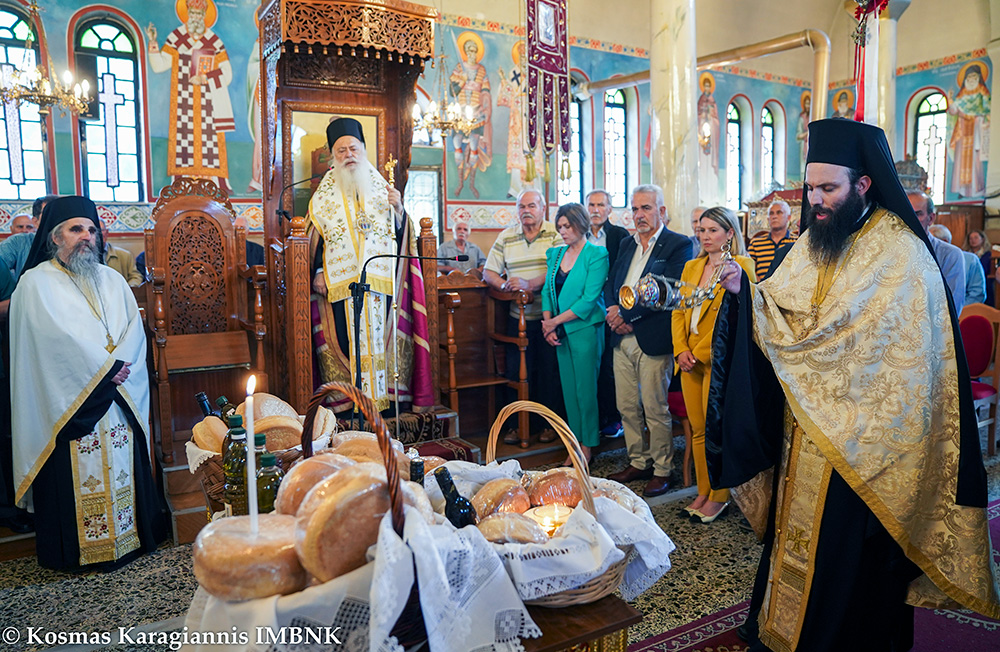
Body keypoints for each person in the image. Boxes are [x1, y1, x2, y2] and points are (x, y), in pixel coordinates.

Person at [711, 119, 999, 651]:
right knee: (795, 549)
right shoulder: (814, 241)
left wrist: (809, 360)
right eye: (810, 188)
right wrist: (744, 291)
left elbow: (886, 355)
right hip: (807, 431)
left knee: (848, 566)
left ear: (863, 185)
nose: (815, 201)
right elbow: (782, 308)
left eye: (829, 189)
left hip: (867, 447)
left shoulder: (900, 254)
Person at [11, 196, 167, 570]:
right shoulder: (35, 284)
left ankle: (131, 540)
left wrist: (120, 365)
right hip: (70, 403)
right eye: (76, 229)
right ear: (55, 237)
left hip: (119, 394)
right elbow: (50, 340)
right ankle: (77, 555)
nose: (87, 237)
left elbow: (134, 329)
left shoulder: (112, 279)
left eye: (92, 230)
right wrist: (104, 367)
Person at [308, 117, 432, 413]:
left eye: (353, 148)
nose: (348, 154)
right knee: (346, 341)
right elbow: (315, 240)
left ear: (363, 149)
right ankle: (351, 407)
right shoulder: (322, 197)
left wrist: (400, 209)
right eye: (341, 150)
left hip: (382, 284)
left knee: (383, 342)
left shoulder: (382, 189)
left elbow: (403, 235)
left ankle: (386, 406)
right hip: (341, 288)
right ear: (332, 156)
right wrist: (319, 270)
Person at [604, 185, 693, 497]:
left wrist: (626, 316)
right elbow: (613, 282)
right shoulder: (628, 244)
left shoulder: (678, 244)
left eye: (646, 208)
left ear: (661, 211)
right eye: (635, 209)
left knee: (654, 407)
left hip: (653, 337)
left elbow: (667, 292)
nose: (639, 215)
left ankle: (662, 469)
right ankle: (638, 461)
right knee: (626, 406)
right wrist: (612, 310)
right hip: (622, 337)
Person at [672, 207, 754, 523]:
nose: (705, 236)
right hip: (688, 358)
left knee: (716, 428)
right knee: (696, 429)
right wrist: (681, 349)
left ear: (730, 233)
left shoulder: (742, 266)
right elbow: (678, 311)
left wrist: (700, 351)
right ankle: (704, 491)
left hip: (717, 360)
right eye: (702, 230)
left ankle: (720, 495)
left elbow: (737, 318)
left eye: (713, 230)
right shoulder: (692, 266)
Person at [484, 189, 565, 445]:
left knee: (548, 374)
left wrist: (531, 284)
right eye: (521, 206)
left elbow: (559, 268)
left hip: (548, 318)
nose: (526, 211)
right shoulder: (507, 236)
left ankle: (548, 427)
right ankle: (518, 426)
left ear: (543, 208)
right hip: (515, 319)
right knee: (517, 374)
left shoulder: (555, 233)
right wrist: (506, 284)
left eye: (531, 205)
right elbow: (488, 272)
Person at [541, 203, 609, 464]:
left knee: (585, 389)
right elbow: (548, 290)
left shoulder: (596, 254)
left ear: (581, 224)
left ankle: (588, 444)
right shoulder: (555, 254)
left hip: (585, 329)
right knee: (569, 390)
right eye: (560, 227)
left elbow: (589, 299)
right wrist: (549, 323)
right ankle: (573, 442)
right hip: (559, 331)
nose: (563, 232)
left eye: (567, 226)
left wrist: (553, 322)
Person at [146, 0, 236, 192]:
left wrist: (205, 78)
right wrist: (153, 43)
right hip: (182, 102)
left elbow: (227, 73)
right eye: (193, 14)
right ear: (187, 14)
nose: (196, 18)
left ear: (205, 16)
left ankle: (214, 184)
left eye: (199, 15)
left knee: (210, 143)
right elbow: (160, 65)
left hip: (209, 103)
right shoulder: (176, 37)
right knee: (183, 141)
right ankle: (181, 183)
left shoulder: (214, 41)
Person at [586, 189, 630, 436]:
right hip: (585, 308)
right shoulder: (579, 235)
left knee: (608, 367)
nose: (595, 209)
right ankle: (590, 422)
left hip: (611, 306)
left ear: (609, 209)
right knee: (589, 368)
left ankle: (612, 419)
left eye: (600, 205)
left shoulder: (619, 235)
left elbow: (621, 273)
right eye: (591, 204)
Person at [450, 32, 493, 199]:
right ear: (465, 53)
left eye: (474, 51)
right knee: (458, 150)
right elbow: (452, 90)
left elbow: (486, 91)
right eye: (469, 51)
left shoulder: (482, 70)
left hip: (476, 113)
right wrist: (462, 80)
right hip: (459, 114)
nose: (472, 54)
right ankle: (460, 183)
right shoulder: (459, 68)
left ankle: (472, 185)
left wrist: (486, 109)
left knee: (474, 149)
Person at [907, 191, 967, 304]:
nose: (910, 219)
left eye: (917, 214)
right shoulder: (890, 251)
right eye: (906, 213)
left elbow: (952, 304)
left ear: (931, 218)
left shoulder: (950, 254)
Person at [948, 63, 990, 197]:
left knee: (975, 161)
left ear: (979, 78)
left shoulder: (983, 92)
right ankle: (962, 190)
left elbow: (987, 109)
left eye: (974, 77)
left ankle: (976, 189)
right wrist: (949, 99)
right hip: (963, 131)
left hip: (976, 130)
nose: (971, 81)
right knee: (961, 161)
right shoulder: (962, 95)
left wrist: (978, 117)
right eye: (969, 78)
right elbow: (953, 110)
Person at [0, 194, 56, 281]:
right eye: (49, 214)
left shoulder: (78, 243)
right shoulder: (18, 242)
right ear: (35, 221)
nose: (57, 220)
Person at [929, 224, 986, 306]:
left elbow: (977, 294)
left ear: (944, 241)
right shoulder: (927, 261)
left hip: (964, 312)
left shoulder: (970, 259)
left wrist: (955, 311)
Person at [747, 200, 797, 281]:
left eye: (779, 212)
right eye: (771, 213)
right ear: (768, 219)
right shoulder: (755, 243)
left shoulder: (796, 241)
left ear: (788, 217)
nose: (774, 216)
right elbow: (750, 269)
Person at [100, 219, 143, 287]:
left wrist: (126, 289)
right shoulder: (83, 256)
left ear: (107, 232)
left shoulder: (125, 255)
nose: (98, 234)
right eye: (94, 231)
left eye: (101, 230)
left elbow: (135, 277)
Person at [966, 229, 994, 305]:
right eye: (971, 238)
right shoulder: (965, 254)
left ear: (983, 239)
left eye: (976, 238)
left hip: (985, 286)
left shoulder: (989, 255)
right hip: (967, 287)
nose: (973, 240)